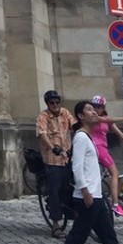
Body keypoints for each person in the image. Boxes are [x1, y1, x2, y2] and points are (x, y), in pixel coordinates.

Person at [52, 100, 123, 244]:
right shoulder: (80, 137)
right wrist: (85, 191)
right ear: (81, 116)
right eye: (89, 110)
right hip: (87, 198)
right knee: (77, 237)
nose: (94, 112)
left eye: (94, 109)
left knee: (109, 237)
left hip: (96, 196)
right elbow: (77, 167)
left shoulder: (89, 137)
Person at [37, 89, 74, 236]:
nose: (55, 105)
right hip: (52, 159)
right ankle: (55, 224)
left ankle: (72, 213)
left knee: (69, 188)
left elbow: (76, 126)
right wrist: (53, 148)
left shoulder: (65, 113)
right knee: (54, 191)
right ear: (47, 103)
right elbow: (42, 134)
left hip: (67, 158)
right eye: (52, 103)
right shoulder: (43, 116)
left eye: (57, 102)